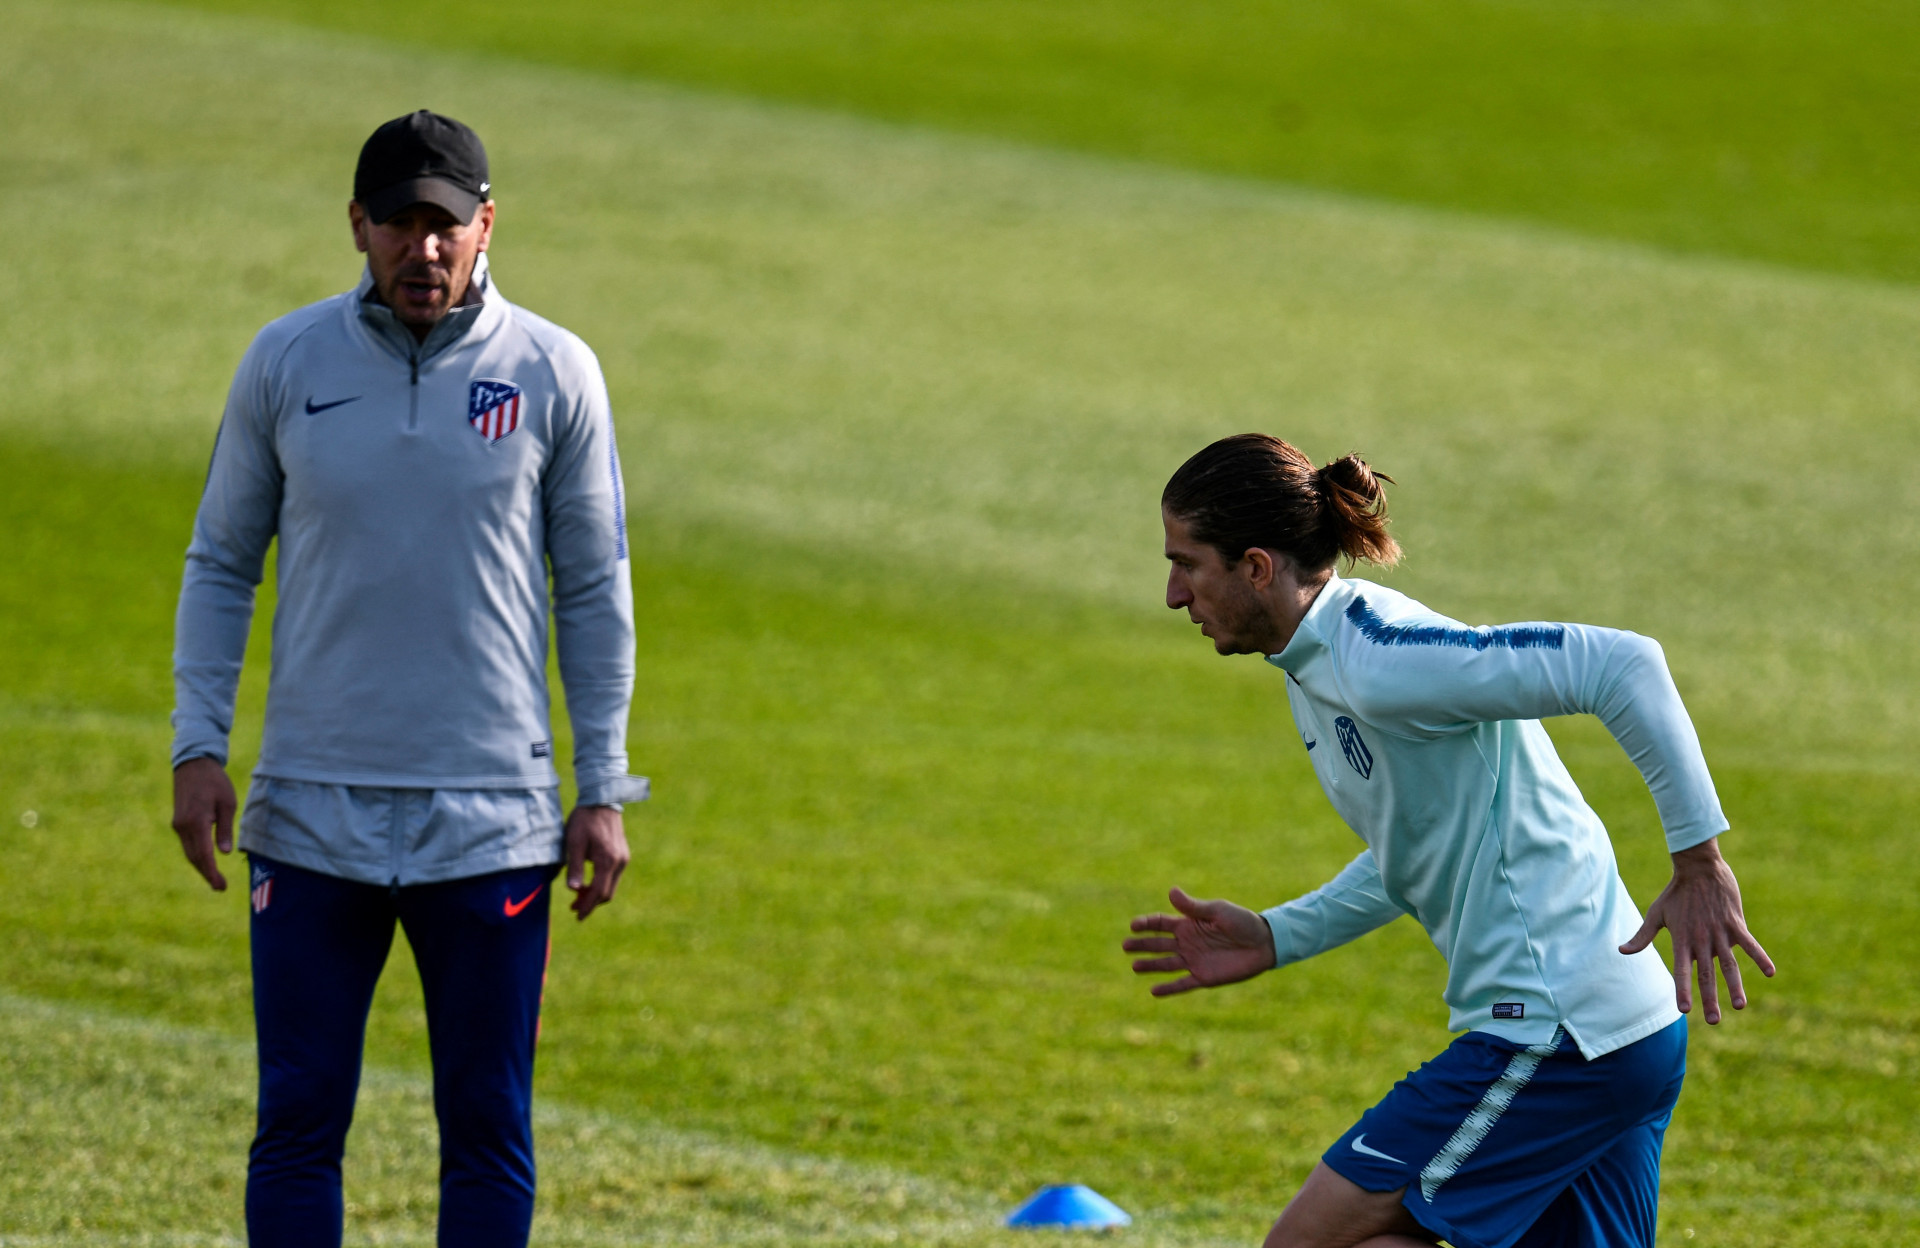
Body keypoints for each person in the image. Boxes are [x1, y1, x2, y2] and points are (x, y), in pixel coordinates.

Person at [168, 110, 649, 1247]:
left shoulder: (553, 370)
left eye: (445, 225)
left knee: (485, 1130)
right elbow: (222, 561)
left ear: (486, 227)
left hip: (491, 822)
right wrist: (198, 744)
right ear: (357, 227)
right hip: (309, 815)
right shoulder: (287, 361)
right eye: (398, 223)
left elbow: (594, 586)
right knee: (295, 1124)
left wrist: (603, 785)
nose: (421, 249)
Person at [1123, 434, 1773, 1248]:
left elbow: (1623, 664)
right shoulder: (1314, 666)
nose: (1174, 594)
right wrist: (1280, 934)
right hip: (1619, 1033)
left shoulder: (1378, 657)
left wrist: (1699, 858)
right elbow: (1418, 846)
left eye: (1187, 563)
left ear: (1256, 567)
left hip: (1556, 1033)